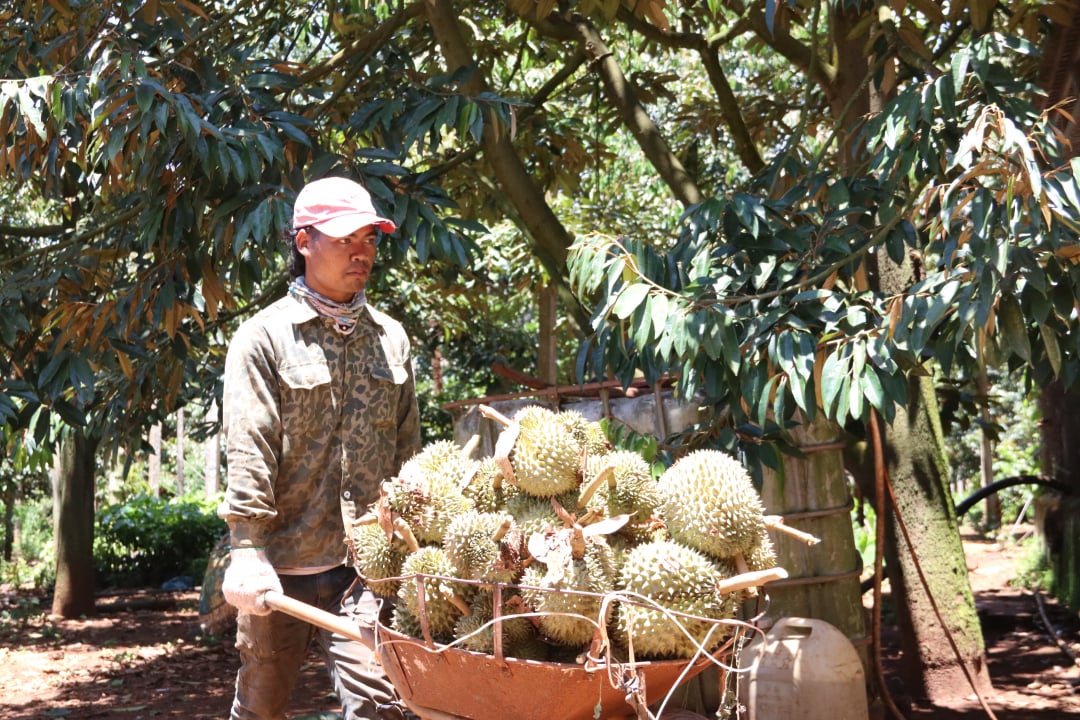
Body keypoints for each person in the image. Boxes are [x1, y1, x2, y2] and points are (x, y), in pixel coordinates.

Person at [218, 175, 422, 720]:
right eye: (344, 240)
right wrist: (245, 548)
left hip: (365, 568)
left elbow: (407, 452)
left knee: (382, 706)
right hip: (278, 565)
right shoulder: (264, 338)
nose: (362, 253)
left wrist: (414, 542)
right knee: (261, 704)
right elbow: (249, 445)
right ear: (303, 241)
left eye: (371, 240)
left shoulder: (391, 338)